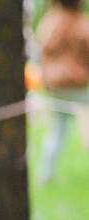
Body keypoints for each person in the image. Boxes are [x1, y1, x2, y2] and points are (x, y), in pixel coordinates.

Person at [36, 0, 89, 185]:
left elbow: (40, 53)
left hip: (55, 86)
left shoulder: (49, 23)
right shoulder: (81, 24)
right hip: (79, 85)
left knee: (57, 130)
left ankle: (45, 174)